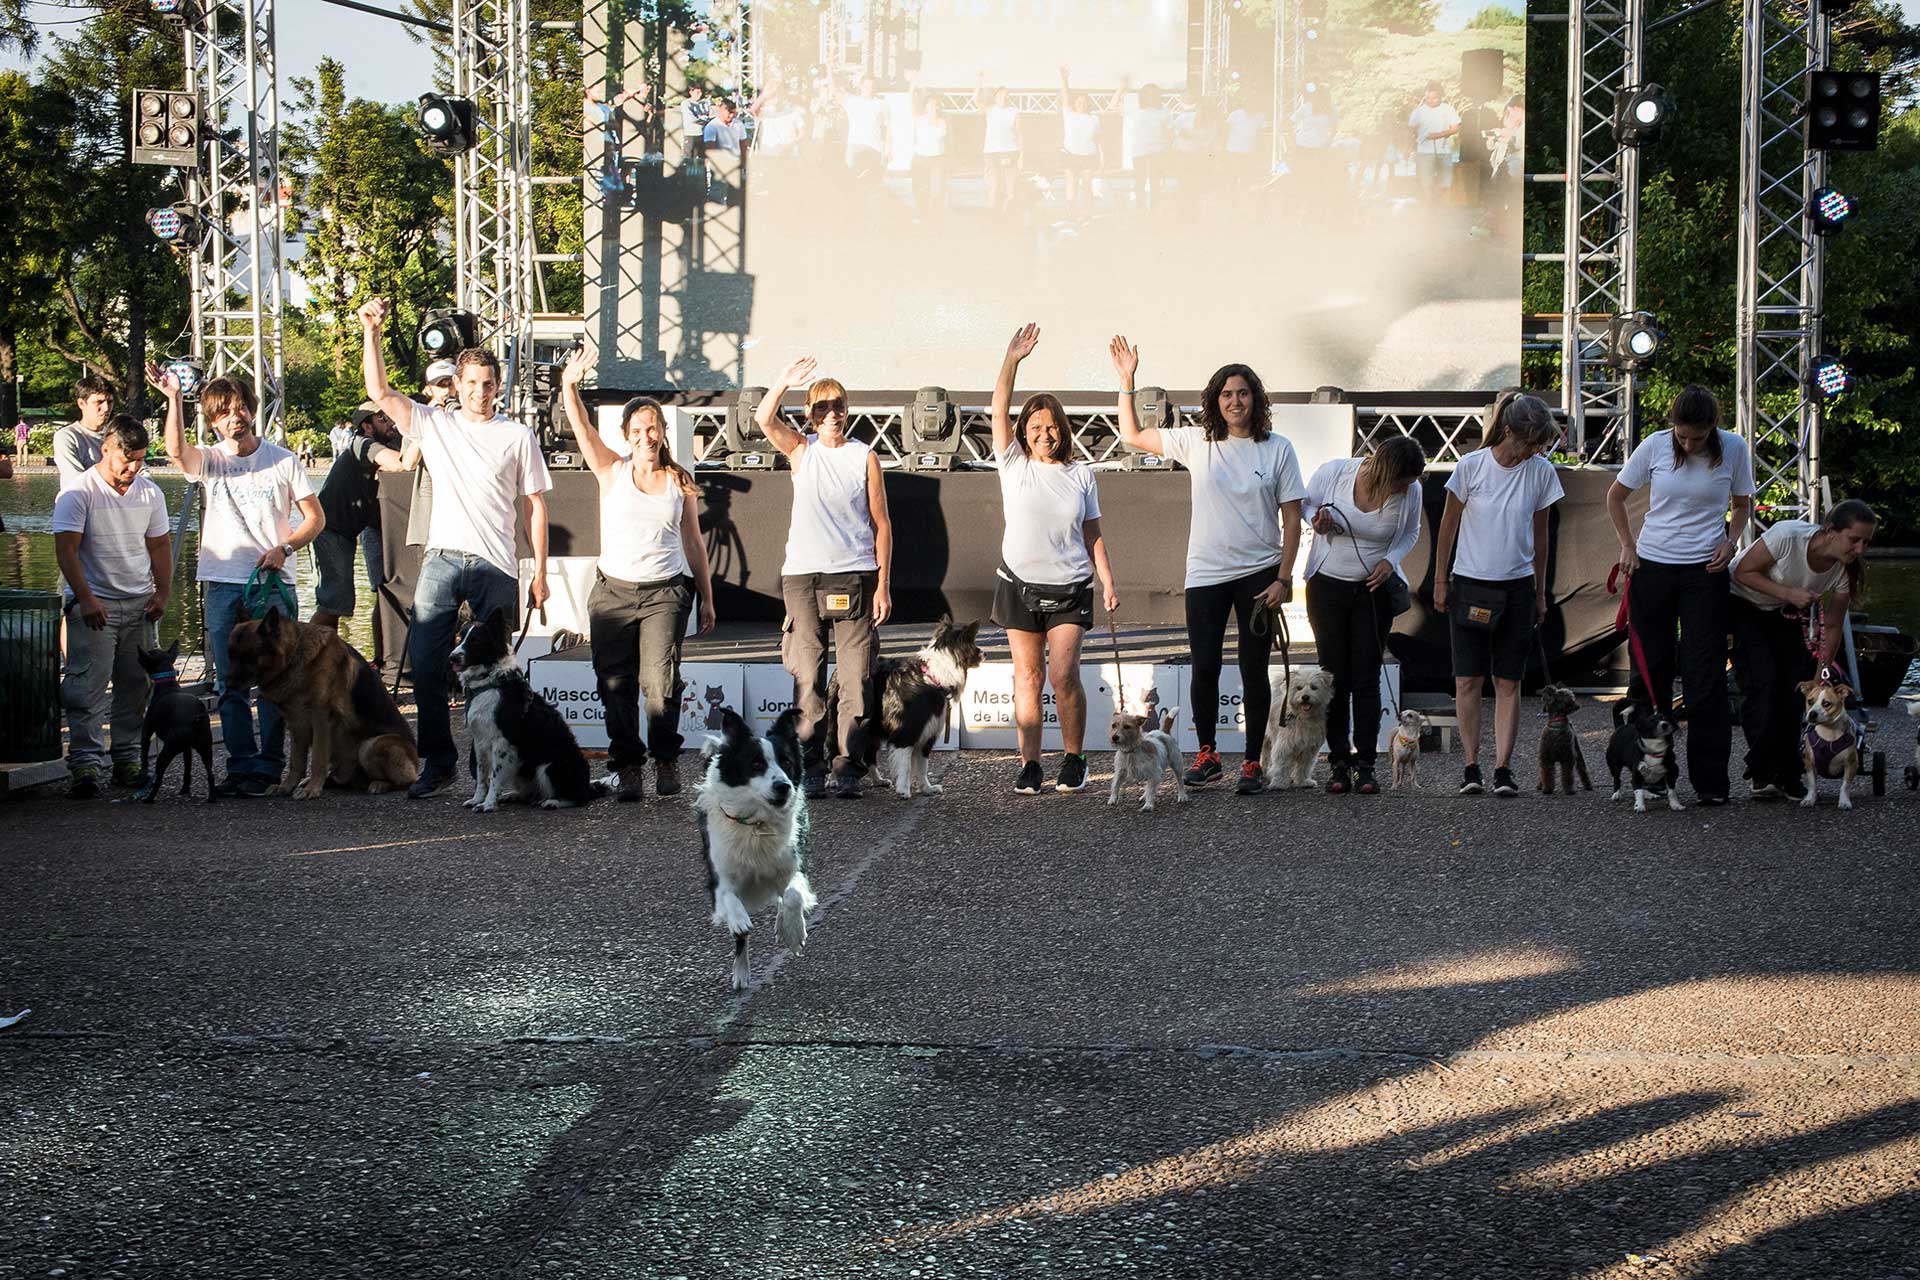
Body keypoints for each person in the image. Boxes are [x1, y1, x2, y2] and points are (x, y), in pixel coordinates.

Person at [358, 296, 553, 799]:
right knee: (425, 663)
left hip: (495, 563)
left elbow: (535, 505)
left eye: (489, 385)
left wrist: (541, 573)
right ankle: (439, 763)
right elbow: (378, 390)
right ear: (457, 387)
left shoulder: (516, 435)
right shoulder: (435, 423)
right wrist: (373, 332)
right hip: (442, 557)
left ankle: (487, 771)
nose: (481, 393)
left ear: (497, 386)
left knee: (496, 671)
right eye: (472, 385)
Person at [1110, 336, 1304, 795]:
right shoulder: (1198, 440)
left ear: (1255, 399)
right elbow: (1132, 435)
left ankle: (1252, 763)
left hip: (1260, 575)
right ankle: (1209, 754)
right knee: (1205, 667)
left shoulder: (1278, 449)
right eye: (1226, 394)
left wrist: (1283, 578)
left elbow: (1292, 517)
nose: (1235, 401)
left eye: (1242, 392)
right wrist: (1126, 382)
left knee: (1254, 670)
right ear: (1215, 401)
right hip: (1206, 574)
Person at [150, 363, 324, 798]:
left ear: (253, 410)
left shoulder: (283, 461)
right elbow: (175, 450)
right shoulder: (210, 460)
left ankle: (271, 765)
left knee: (276, 677)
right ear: (213, 420)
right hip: (223, 579)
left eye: (241, 408)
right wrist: (173, 398)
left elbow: (315, 518)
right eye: (225, 412)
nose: (235, 417)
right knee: (229, 680)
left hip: (273, 583)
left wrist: (285, 548)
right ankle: (240, 767)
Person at [559, 346, 717, 803]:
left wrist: (706, 596)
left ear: (664, 433)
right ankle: (628, 766)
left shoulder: (679, 481)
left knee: (661, 683)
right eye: (637, 430)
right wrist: (570, 384)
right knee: (615, 684)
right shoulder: (611, 469)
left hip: (665, 593)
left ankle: (665, 757)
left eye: (653, 428)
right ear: (627, 437)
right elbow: (582, 428)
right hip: (613, 595)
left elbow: (694, 543)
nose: (646, 436)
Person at [1607, 386, 1756, 805]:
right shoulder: (1654, 446)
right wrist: (1627, 545)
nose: (1688, 443)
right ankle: (1649, 775)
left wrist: (1731, 540)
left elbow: (1743, 504)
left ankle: (1710, 783)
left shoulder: (1733, 448)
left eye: (1696, 437)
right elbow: (1615, 496)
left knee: (1703, 674)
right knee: (1649, 669)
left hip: (1704, 569)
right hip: (1653, 564)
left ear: (1713, 427)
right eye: (1682, 435)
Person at [754, 355, 894, 800]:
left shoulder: (864, 457)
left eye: (837, 406)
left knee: (855, 678)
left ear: (847, 411)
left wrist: (883, 584)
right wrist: (784, 380)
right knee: (808, 677)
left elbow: (882, 523)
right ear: (810, 415)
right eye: (821, 407)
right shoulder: (801, 450)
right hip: (802, 578)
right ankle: (810, 766)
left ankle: (848, 766)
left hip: (853, 577)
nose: (830, 413)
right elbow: (762, 417)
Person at [991, 324, 1118, 795]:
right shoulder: (1012, 464)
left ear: (1063, 430)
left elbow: (1093, 533)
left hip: (1069, 588)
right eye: (1036, 427)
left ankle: (1074, 758)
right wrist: (1012, 359)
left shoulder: (1081, 475)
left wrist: (1107, 580)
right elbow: (997, 407)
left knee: (1064, 675)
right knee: (1028, 674)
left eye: (1052, 427)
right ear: (1024, 431)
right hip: (1018, 583)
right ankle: (1029, 764)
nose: (1045, 434)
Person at [1432, 391, 1563, 797]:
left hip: (1518, 587)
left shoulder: (1541, 472)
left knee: (1509, 681)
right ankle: (1472, 766)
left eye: (1539, 445)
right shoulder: (1471, 467)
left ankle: (1503, 768)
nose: (1533, 451)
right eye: (1530, 443)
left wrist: (1541, 592)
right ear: (1508, 431)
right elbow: (1447, 528)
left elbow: (1542, 537)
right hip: (1470, 582)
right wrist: (1440, 580)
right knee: (1467, 680)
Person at [51, 414, 172, 799]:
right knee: (86, 686)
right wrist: (85, 598)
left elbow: (159, 546)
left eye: (140, 459)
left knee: (135, 686)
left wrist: (163, 593)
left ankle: (126, 759)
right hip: (96, 602)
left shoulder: (150, 493)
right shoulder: (77, 492)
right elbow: (66, 550)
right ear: (106, 449)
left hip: (138, 601)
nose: (134, 468)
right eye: (127, 460)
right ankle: (85, 764)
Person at [1302, 436, 1427, 796]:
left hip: (1373, 591)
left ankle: (1367, 763)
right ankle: (1339, 761)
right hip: (1327, 586)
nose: (1408, 487)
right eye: (1402, 481)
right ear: (1386, 471)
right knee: (1333, 676)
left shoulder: (1411, 491)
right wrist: (1317, 519)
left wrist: (1391, 561)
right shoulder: (1334, 473)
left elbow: (1410, 532)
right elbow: (1305, 505)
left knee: (1367, 676)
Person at [1728, 500, 1876, 801]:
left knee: (1795, 685)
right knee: (1762, 682)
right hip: (1741, 602)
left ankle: (1788, 771)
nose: (1859, 549)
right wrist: (1788, 593)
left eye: (1866, 542)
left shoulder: (1842, 571)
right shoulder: (1787, 535)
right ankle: (1761, 771)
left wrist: (1822, 671)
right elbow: (1742, 572)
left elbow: (1833, 627)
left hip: (1783, 610)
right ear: (1830, 531)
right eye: (1854, 540)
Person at [310, 402, 417, 634]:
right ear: (367, 426)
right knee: (334, 603)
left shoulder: (381, 443)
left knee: (360, 598)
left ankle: (376, 659)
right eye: (382, 419)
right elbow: (399, 463)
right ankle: (306, 657)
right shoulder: (363, 444)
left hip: (348, 532)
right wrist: (422, 433)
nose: (390, 423)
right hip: (332, 531)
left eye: (390, 418)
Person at [53, 374, 115, 489]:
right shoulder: (67, 437)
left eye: (110, 402)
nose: (106, 408)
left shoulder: (117, 435)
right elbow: (77, 482)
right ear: (81, 403)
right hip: (80, 504)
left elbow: (143, 473)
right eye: (99, 402)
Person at [1057, 68, 1099, 221]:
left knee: (1087, 186)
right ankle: (1070, 213)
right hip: (1071, 155)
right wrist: (1064, 79)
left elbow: (1098, 139)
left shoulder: (1094, 118)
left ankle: (1087, 214)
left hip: (1089, 155)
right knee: (1071, 184)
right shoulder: (1068, 114)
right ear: (1074, 104)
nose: (1082, 104)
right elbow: (1065, 96)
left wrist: (1103, 156)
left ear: (1088, 104)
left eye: (1085, 102)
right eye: (1079, 101)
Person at [1408, 81, 1459, 203]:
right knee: (1426, 183)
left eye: (1435, 98)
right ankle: (1428, 210)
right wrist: (1410, 146)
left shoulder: (1448, 109)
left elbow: (1455, 128)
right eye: (1428, 98)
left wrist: (1437, 135)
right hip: (1424, 151)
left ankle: (1434, 201)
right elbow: (1411, 130)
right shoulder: (1419, 111)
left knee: (1446, 183)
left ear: (1441, 96)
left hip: (1444, 150)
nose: (1431, 101)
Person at [981, 85, 1021, 212]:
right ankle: (992, 215)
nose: (1004, 97)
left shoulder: (1014, 111)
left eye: (1006, 95)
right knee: (995, 186)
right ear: (996, 97)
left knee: (1011, 189)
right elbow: (975, 99)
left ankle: (1007, 214)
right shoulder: (990, 110)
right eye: (1001, 95)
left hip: (1010, 152)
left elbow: (1020, 134)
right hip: (991, 154)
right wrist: (979, 80)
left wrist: (1022, 155)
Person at [910, 91, 950, 222]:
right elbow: (912, 102)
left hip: (937, 160)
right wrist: (913, 86)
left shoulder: (944, 122)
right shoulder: (918, 120)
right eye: (931, 104)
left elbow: (944, 139)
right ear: (925, 106)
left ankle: (936, 217)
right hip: (920, 159)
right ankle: (920, 214)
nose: (934, 107)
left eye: (936, 104)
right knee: (920, 189)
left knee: (937, 191)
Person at [842, 77, 890, 180]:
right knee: (851, 178)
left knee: (871, 179)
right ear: (861, 87)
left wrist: (888, 150)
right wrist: (829, 67)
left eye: (873, 86)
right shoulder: (851, 101)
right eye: (866, 86)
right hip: (854, 145)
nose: (870, 89)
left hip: (873, 147)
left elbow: (887, 129)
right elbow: (834, 90)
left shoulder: (882, 104)